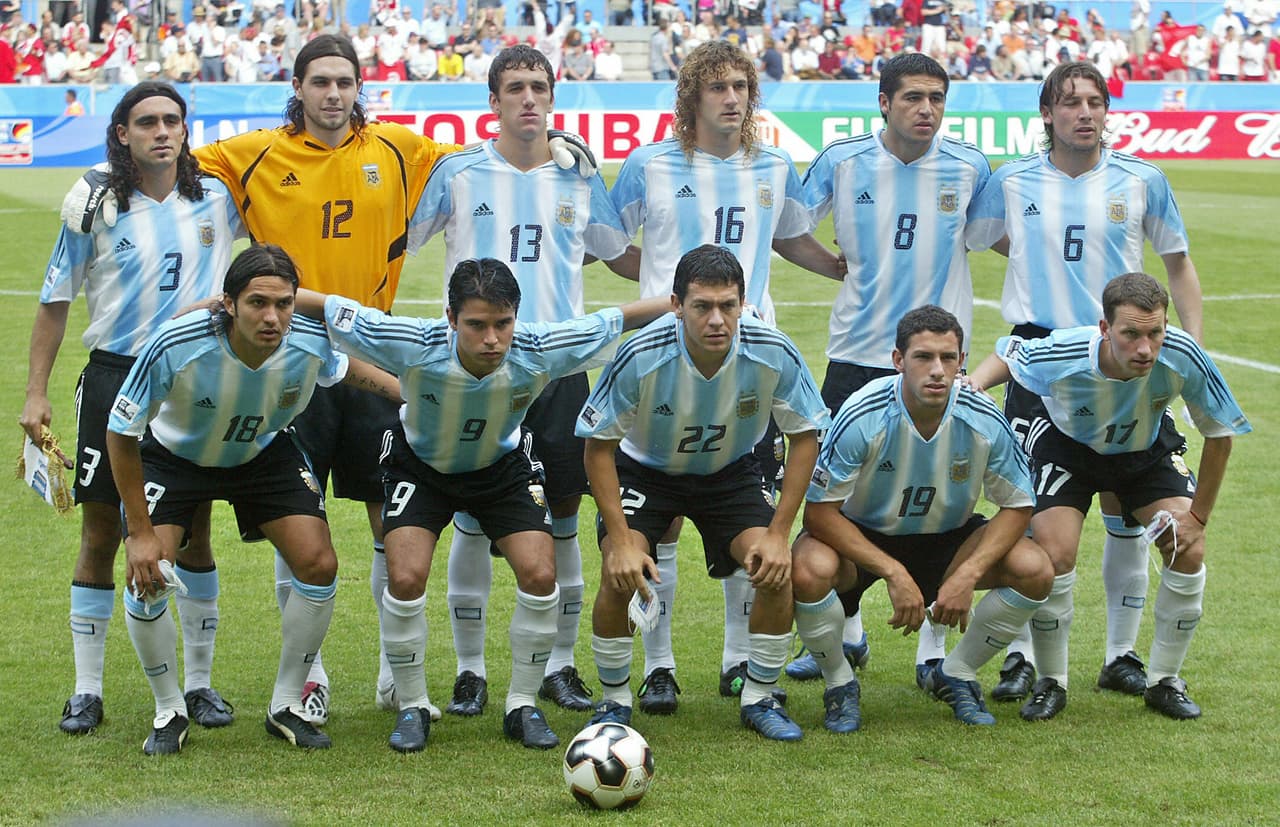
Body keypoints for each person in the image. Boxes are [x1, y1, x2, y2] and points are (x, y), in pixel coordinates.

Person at [171, 35, 591, 726]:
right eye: (320, 81)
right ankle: (309, 673)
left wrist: (556, 142)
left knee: (385, 515)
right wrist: (105, 180)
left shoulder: (399, 147)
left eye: (344, 82)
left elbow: (483, 156)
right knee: (297, 516)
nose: (333, 94)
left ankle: (392, 673)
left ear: (359, 87)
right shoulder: (253, 154)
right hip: (290, 355)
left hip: (371, 356)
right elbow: (171, 157)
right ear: (297, 87)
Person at [293, 259, 667, 751]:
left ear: (516, 317)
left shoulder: (538, 347)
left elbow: (616, 319)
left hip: (501, 467)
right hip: (420, 466)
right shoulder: (412, 341)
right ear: (450, 318)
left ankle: (522, 704)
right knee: (405, 576)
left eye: (502, 323)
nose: (492, 339)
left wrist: (682, 305)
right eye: (476, 325)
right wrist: (252, 296)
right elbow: (330, 308)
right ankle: (412, 706)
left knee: (541, 574)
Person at [609, 40, 843, 713]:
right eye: (717, 87)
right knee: (660, 526)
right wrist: (667, 294)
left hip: (750, 365)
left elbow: (787, 234)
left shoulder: (773, 164)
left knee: (752, 515)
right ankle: (659, 665)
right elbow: (609, 244)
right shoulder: (649, 164)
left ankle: (739, 659)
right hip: (664, 359)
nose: (732, 98)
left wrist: (838, 267)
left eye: (741, 86)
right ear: (691, 97)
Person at [407, 44, 636, 718]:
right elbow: (402, 239)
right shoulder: (458, 173)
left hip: (558, 369)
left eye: (539, 86)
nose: (528, 98)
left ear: (553, 98)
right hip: (478, 371)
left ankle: (559, 665)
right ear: (493, 101)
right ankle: (471, 671)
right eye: (515, 87)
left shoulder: (578, 175)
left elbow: (615, 253)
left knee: (563, 517)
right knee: (474, 519)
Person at [969, 61, 1204, 713]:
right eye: (1070, 102)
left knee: (1130, 512)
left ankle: (1123, 657)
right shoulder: (1013, 180)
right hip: (1041, 361)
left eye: (1095, 101)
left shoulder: (1141, 179)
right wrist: (1037, 260)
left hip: (1124, 359)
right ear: (1047, 114)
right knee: (1043, 524)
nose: (1084, 112)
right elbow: (983, 238)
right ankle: (1027, 660)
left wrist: (1191, 348)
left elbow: (1178, 264)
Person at [106, 244, 401, 754]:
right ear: (228, 304)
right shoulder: (178, 342)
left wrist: (411, 393)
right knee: (149, 576)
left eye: (284, 304)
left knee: (318, 563)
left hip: (262, 453)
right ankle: (169, 709)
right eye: (257, 303)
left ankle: (286, 704)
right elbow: (120, 430)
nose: (272, 317)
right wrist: (138, 532)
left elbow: (345, 369)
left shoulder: (307, 339)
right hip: (174, 458)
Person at [22, 82, 243, 737]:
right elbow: (54, 301)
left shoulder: (217, 196)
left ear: (185, 129)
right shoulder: (95, 206)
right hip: (115, 376)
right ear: (122, 133)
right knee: (100, 534)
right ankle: (86, 690)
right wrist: (35, 391)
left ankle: (199, 684)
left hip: (191, 380)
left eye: (173, 120)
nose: (162, 131)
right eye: (147, 122)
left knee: (195, 532)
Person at [791, 52, 991, 687]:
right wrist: (832, 266)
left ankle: (935, 643)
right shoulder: (844, 161)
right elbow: (786, 225)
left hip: (936, 366)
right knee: (836, 500)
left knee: (946, 499)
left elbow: (999, 233)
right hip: (857, 355)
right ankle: (845, 631)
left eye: (936, 98)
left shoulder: (970, 166)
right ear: (884, 102)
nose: (926, 109)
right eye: (912, 97)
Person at [967, 273, 1250, 720]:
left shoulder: (1182, 353)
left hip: (1144, 448)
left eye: (1155, 333)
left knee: (1187, 547)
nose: (1145, 348)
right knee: (1054, 554)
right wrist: (974, 384)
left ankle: (1164, 680)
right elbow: (1009, 352)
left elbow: (1220, 435)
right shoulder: (1066, 350)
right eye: (1131, 334)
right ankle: (1051, 681)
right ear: (1104, 328)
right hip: (1067, 447)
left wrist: (1198, 518)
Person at [578, 245, 830, 740]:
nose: (717, 319)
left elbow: (805, 437)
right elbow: (598, 446)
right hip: (645, 472)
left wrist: (779, 533)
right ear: (676, 304)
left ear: (742, 303)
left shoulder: (772, 349)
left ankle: (759, 696)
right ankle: (614, 701)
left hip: (728, 473)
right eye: (702, 306)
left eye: (727, 305)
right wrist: (621, 539)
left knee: (773, 569)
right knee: (620, 571)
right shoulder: (641, 353)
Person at [793, 306, 1052, 730]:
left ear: (962, 360)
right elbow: (819, 513)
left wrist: (967, 574)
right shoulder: (863, 413)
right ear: (898, 360)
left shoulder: (982, 416)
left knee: (1035, 568)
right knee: (808, 569)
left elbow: (1019, 505)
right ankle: (840, 683)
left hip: (948, 537)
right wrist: (894, 572)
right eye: (923, 357)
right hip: (864, 536)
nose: (937, 370)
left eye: (948, 358)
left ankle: (957, 673)